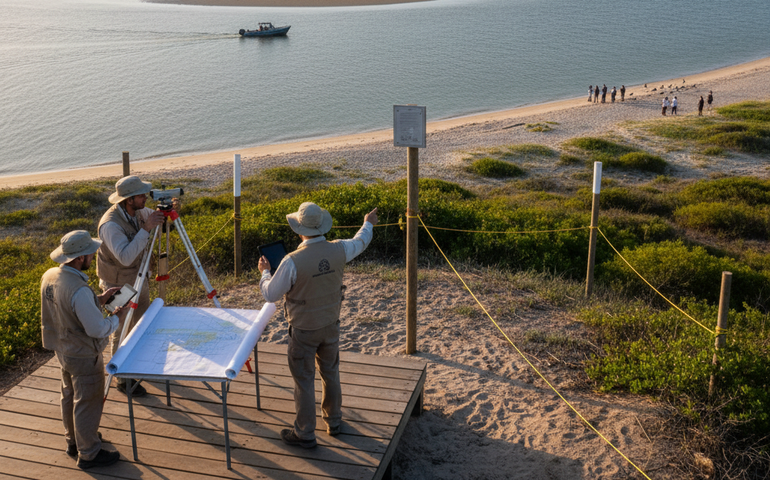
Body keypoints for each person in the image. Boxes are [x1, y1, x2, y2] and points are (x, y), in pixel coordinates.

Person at [258, 202, 379, 448]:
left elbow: (270, 294)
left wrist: (265, 273)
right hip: (330, 324)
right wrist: (368, 222)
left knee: (303, 379)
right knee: (330, 372)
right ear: (322, 226)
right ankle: (334, 421)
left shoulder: (292, 261)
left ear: (299, 229)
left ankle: (304, 433)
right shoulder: (340, 249)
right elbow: (361, 241)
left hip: (303, 329)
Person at [41, 230, 129, 469]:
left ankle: (73, 441)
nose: (94, 254)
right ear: (79, 258)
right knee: (87, 401)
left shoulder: (50, 276)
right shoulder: (79, 290)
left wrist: (99, 299)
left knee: (68, 395)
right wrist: (117, 317)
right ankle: (89, 452)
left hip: (62, 349)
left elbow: (67, 307)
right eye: (91, 252)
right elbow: (97, 329)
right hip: (83, 354)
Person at [97, 176, 165, 397]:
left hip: (139, 278)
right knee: (121, 329)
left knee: (142, 323)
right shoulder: (110, 225)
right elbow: (125, 257)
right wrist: (146, 229)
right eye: (141, 195)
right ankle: (122, 379)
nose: (145, 197)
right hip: (117, 285)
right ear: (128, 200)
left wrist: (162, 214)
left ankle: (140, 363)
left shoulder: (137, 212)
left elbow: (149, 219)